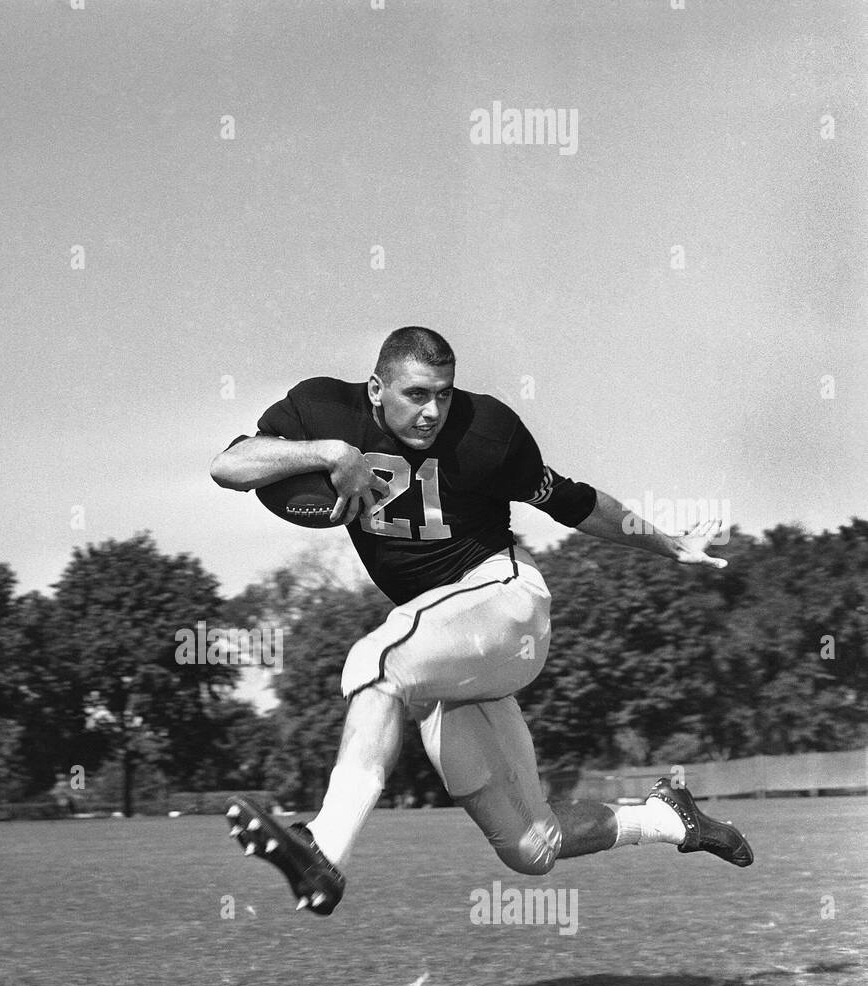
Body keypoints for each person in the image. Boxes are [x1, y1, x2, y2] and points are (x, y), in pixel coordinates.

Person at [211, 326, 752, 915]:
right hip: (441, 647)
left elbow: (573, 501)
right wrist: (330, 454)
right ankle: (668, 818)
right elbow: (231, 465)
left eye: (443, 393)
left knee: (375, 660)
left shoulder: (487, 432)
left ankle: (323, 847)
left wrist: (671, 545)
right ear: (375, 389)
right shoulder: (324, 409)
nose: (433, 411)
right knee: (530, 844)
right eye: (416, 394)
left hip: (503, 605)